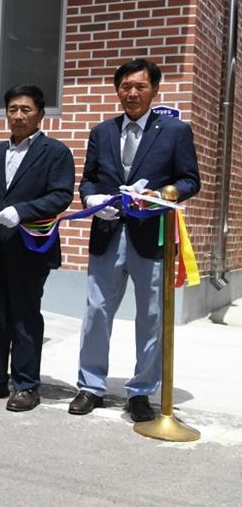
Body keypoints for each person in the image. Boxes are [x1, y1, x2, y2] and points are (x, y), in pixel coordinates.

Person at [68, 58, 201, 422]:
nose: (132, 93)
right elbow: (89, 180)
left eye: (140, 86)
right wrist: (91, 200)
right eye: (125, 86)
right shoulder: (103, 131)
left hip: (151, 236)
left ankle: (141, 392)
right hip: (108, 234)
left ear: (155, 90)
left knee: (152, 316)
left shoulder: (174, 131)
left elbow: (191, 179)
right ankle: (91, 386)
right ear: (117, 90)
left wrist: (163, 193)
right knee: (97, 311)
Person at [0, 85, 74, 412]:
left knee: (26, 316)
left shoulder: (55, 152)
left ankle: (27, 384)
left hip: (32, 246)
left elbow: (61, 196)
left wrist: (23, 211)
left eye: (26, 109)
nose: (18, 115)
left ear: (40, 114)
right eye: (13, 109)